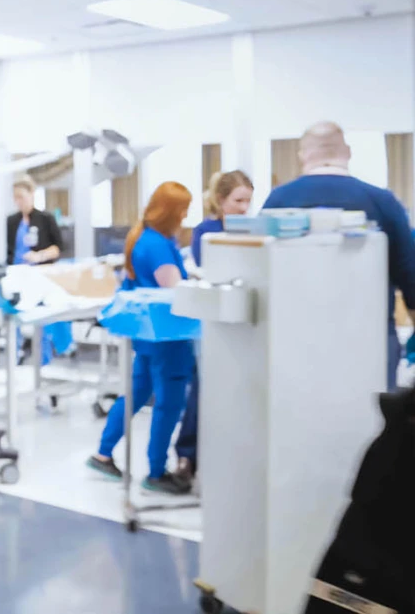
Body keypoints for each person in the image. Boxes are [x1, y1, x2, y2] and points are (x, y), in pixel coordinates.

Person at [264, 122, 415, 391]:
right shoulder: (383, 202)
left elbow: (260, 275)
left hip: (296, 343)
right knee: (375, 423)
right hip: (370, 341)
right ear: (347, 152)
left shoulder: (278, 202)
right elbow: (410, 275)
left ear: (302, 155)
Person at [87, 181, 196, 495]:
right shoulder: (159, 245)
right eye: (183, 210)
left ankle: (102, 453)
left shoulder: (142, 238)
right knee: (169, 404)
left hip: (147, 336)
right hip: (168, 336)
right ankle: (157, 472)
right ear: (170, 212)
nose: (185, 216)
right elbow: (177, 290)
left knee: (134, 394)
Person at [175, 170, 254, 482]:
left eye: (248, 200)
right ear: (221, 201)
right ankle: (186, 456)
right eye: (238, 201)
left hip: (245, 323)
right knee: (201, 387)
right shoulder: (205, 231)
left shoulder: (254, 229)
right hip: (213, 322)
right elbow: (211, 270)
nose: (244, 207)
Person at [6, 176, 64, 266]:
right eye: (15, 197)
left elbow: (58, 248)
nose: (17, 201)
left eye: (21, 197)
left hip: (39, 269)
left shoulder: (46, 218)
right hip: (15, 269)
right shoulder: (11, 221)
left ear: (31, 194)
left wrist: (40, 256)